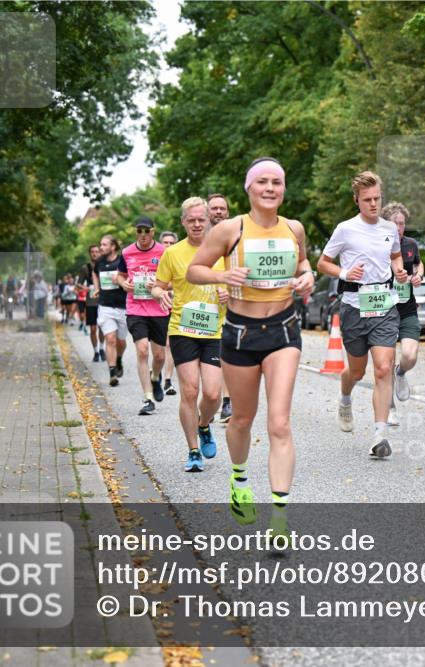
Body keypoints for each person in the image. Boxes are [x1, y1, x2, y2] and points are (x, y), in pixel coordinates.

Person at [188, 158, 314, 532]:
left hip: (284, 330)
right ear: (249, 188)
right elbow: (195, 269)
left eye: (277, 181)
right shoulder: (231, 229)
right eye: (263, 181)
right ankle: (240, 479)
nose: (271, 188)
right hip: (241, 333)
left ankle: (279, 516)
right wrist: (223, 274)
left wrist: (305, 278)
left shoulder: (294, 228)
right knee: (242, 419)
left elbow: (304, 263)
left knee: (279, 422)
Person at [317, 171, 408, 459]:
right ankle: (345, 399)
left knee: (383, 367)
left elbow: (395, 255)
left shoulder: (389, 229)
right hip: (354, 306)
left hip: (384, 304)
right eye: (367, 199)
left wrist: (399, 269)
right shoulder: (345, 229)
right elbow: (322, 263)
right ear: (356, 200)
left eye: (377, 198)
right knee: (356, 370)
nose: (373, 204)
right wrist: (344, 272)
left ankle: (380, 434)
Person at [152, 197, 224, 473]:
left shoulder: (221, 251)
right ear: (183, 221)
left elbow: (235, 284)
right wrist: (162, 294)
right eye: (191, 220)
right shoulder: (173, 253)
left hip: (213, 330)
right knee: (190, 390)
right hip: (182, 328)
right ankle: (193, 450)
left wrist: (229, 293)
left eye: (200, 219)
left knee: (213, 394)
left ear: (208, 220)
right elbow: (157, 286)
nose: (196, 224)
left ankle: (204, 424)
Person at [118, 217, 170, 416]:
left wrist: (159, 286)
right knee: (141, 350)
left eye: (146, 231)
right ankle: (148, 398)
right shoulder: (127, 252)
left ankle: (155, 376)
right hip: (135, 308)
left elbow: (174, 280)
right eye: (139, 231)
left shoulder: (164, 252)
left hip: (158, 309)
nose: (143, 235)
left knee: (159, 355)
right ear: (135, 232)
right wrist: (124, 284)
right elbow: (120, 275)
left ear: (153, 231)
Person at [381, 201, 424, 426]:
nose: (399, 227)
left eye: (402, 223)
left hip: (407, 307)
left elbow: (418, 264)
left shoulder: (410, 244)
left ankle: (401, 373)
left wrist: (418, 276)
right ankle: (389, 409)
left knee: (409, 355)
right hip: (383, 310)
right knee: (385, 362)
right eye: (395, 223)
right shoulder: (378, 244)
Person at [207, 193, 234, 424]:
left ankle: (227, 403)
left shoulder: (237, 239)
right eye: (213, 208)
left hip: (230, 312)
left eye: (221, 208)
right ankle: (206, 406)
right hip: (201, 313)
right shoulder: (199, 240)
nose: (218, 212)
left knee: (225, 357)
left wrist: (232, 293)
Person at [93, 236, 128, 385]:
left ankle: (119, 359)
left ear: (113, 247)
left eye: (104, 244)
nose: (101, 247)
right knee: (110, 339)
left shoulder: (122, 261)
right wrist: (96, 288)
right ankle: (112, 372)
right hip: (105, 306)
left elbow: (130, 277)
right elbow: (94, 273)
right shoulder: (99, 262)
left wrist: (121, 279)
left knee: (121, 341)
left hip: (122, 306)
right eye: (101, 244)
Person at [159, 231, 179, 395]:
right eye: (166, 242)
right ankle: (155, 373)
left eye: (172, 243)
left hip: (173, 306)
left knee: (168, 344)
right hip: (153, 309)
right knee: (157, 348)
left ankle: (167, 380)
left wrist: (165, 285)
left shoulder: (178, 259)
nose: (168, 246)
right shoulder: (154, 259)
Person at [83, 245, 104, 361]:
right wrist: (86, 287)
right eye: (92, 252)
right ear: (90, 254)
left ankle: (101, 348)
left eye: (97, 251)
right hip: (91, 302)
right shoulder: (85, 268)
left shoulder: (104, 265)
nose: (95, 254)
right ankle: (95, 351)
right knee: (93, 329)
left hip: (103, 301)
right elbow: (78, 284)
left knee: (102, 328)